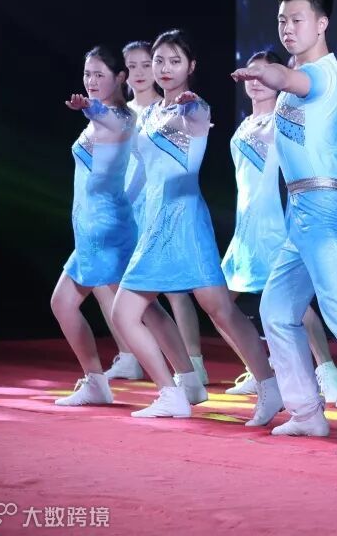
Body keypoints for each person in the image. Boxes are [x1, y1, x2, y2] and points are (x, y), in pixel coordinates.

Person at [232, 0, 337, 454]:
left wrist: (263, 71)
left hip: (323, 212)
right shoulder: (315, 78)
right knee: (276, 310)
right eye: (282, 20)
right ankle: (306, 413)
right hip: (302, 210)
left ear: (322, 24)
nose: (287, 27)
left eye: (297, 19)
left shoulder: (317, 75)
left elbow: (286, 80)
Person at [112, 29, 281, 423]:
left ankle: (268, 387)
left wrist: (192, 108)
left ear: (190, 66)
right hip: (154, 224)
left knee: (221, 312)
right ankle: (179, 388)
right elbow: (142, 173)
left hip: (185, 221)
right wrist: (123, 206)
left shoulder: (195, 107)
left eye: (175, 61)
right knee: (132, 313)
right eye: (159, 61)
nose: (165, 68)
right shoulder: (150, 113)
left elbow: (199, 120)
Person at [222, 50, 337, 403]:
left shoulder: (283, 119)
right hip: (247, 226)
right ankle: (260, 369)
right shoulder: (244, 125)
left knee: (291, 303)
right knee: (221, 303)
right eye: (250, 74)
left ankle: (327, 369)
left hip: (277, 221)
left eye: (263, 74)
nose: (256, 81)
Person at [115, 40, 208, 385]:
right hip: (135, 206)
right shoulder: (126, 113)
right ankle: (132, 357)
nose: (141, 73)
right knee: (129, 289)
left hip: (168, 209)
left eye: (146, 64)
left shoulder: (174, 107)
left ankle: (192, 363)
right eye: (133, 66)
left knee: (176, 289)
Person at [52, 47, 138, 406]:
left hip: (108, 228)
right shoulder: (101, 116)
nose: (91, 81)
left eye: (99, 74)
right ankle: (96, 382)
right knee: (63, 303)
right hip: (90, 230)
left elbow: (105, 116)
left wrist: (88, 107)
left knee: (142, 311)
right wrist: (90, 109)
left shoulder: (120, 117)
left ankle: (182, 378)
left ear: (120, 78)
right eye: (88, 73)